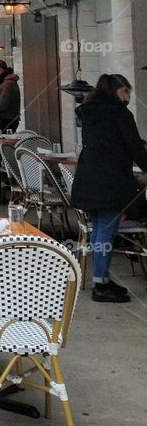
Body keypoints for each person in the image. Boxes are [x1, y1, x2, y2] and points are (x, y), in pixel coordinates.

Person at [71, 73, 147, 303]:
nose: (128, 96)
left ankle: (100, 279)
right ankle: (100, 285)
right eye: (126, 91)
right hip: (110, 183)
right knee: (105, 231)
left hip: (89, 179)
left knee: (99, 231)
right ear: (116, 90)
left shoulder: (90, 112)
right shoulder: (119, 113)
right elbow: (135, 147)